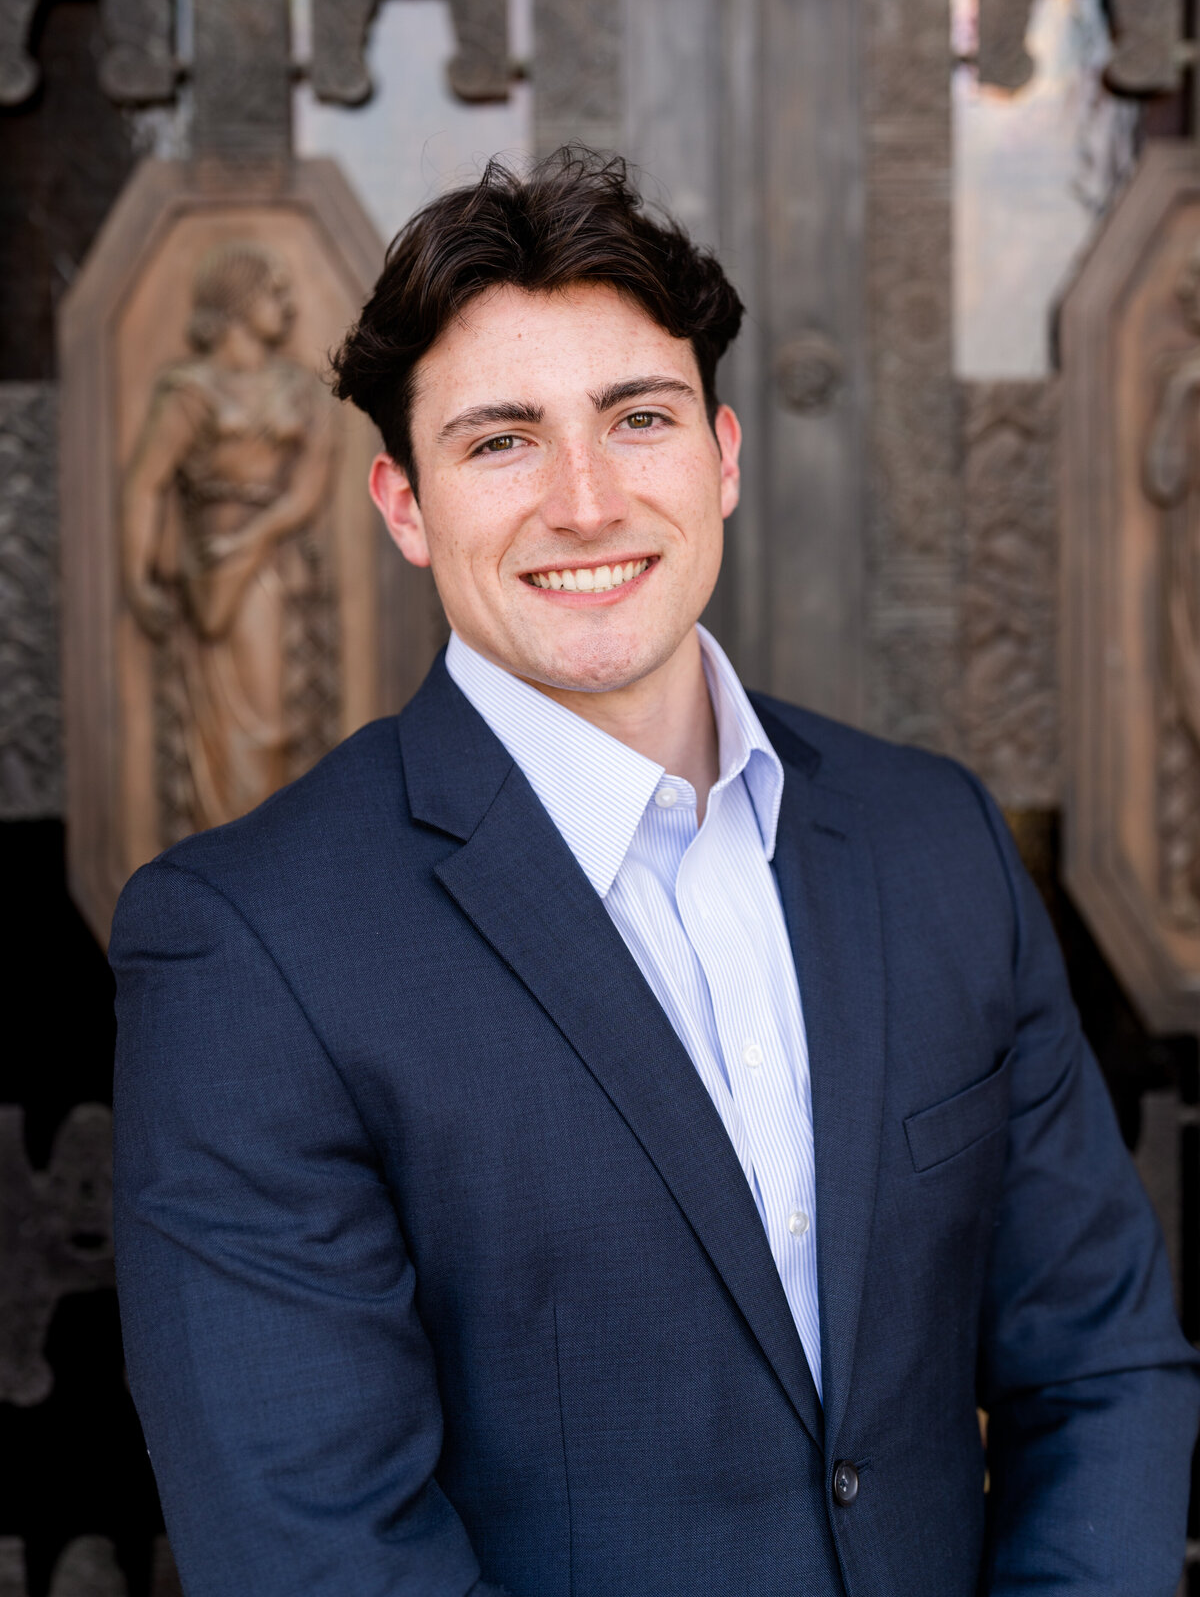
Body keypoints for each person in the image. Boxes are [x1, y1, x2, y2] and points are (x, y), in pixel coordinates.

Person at [111, 149, 1199, 1597]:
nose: (586, 500)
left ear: (725, 455)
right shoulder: (246, 947)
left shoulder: (935, 840)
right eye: (501, 441)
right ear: (403, 504)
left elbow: (1102, 1360)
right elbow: (321, 1551)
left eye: (639, 418)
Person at [121, 240, 336, 837]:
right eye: (273, 291)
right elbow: (145, 483)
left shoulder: (299, 390)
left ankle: (264, 860)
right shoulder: (190, 391)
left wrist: (255, 537)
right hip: (211, 572)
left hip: (269, 562)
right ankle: (227, 864)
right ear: (239, 301)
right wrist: (138, 579)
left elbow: (307, 491)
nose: (288, 305)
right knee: (235, 728)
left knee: (275, 723)